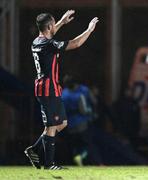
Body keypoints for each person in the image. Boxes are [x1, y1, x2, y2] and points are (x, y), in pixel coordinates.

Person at [24, 10, 99, 170]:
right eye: (54, 24)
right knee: (51, 127)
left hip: (50, 88)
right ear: (49, 26)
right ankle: (50, 164)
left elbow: (49, 34)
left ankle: (35, 150)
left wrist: (62, 22)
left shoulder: (37, 42)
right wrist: (89, 30)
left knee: (62, 123)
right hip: (47, 89)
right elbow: (76, 43)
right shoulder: (49, 44)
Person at [61, 76, 94, 166]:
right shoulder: (79, 95)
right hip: (81, 124)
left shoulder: (63, 95)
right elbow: (84, 110)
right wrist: (90, 112)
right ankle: (82, 157)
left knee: (73, 144)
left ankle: (74, 159)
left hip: (69, 124)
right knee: (87, 144)